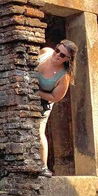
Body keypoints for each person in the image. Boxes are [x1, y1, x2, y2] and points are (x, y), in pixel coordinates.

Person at [36, 39, 77, 178]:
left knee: (39, 131)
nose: (57, 55)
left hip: (43, 102)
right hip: (24, 96)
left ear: (68, 59)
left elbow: (55, 97)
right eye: (57, 50)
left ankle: (43, 167)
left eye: (62, 55)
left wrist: (35, 91)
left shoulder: (64, 76)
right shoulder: (45, 53)